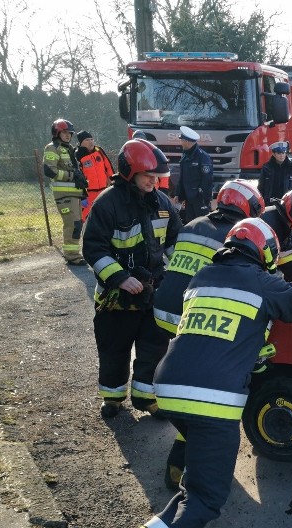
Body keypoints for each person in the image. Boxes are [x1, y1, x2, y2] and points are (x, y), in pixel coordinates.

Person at [74, 218, 292, 528]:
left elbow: (225, 336)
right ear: (266, 254)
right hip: (213, 400)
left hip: (169, 388)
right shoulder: (262, 282)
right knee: (204, 498)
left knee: (196, 478)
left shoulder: (202, 277)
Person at [154, 179, 266, 490]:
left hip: (163, 306)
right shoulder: (231, 236)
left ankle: (182, 455)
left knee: (189, 375)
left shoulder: (193, 223)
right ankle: (186, 457)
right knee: (204, 385)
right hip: (192, 314)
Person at [81, 139, 182, 419]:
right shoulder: (107, 204)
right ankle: (112, 398)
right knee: (114, 348)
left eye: (156, 176)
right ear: (130, 172)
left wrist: (181, 275)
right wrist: (120, 278)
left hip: (153, 292)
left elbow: (174, 242)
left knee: (154, 347)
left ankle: (145, 397)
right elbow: (93, 248)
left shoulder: (162, 203)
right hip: (118, 296)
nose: (154, 181)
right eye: (148, 175)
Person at [42, 119, 85, 265]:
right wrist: (72, 176)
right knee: (72, 224)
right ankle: (72, 256)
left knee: (77, 224)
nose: (68, 135)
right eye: (65, 132)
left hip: (73, 193)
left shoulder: (68, 148)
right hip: (64, 195)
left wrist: (81, 182)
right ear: (57, 132)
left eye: (70, 133)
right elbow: (49, 170)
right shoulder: (52, 148)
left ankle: (73, 254)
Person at [173, 125, 213, 223]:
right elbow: (182, 178)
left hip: (200, 199)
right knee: (190, 223)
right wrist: (178, 194)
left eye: (182, 140)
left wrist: (204, 200)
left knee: (202, 224)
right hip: (189, 199)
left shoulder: (203, 157)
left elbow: (207, 181)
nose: (181, 142)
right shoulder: (185, 156)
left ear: (187, 141)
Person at [75, 131, 114, 222]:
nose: (91, 141)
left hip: (103, 191)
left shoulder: (99, 150)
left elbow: (108, 166)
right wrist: (82, 195)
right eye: (87, 140)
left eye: (92, 139)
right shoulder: (77, 155)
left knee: (105, 215)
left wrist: (113, 181)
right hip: (88, 194)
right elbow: (77, 176)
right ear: (81, 142)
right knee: (84, 218)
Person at [132, 130, 170, 195]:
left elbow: (162, 172)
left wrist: (163, 189)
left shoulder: (154, 154)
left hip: (153, 191)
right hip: (134, 191)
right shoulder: (129, 154)